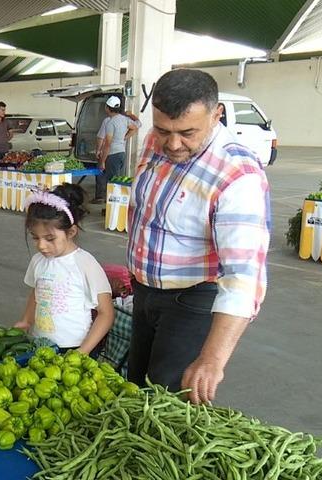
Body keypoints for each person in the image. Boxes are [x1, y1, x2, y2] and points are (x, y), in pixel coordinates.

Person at [126, 69, 270, 405]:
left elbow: (243, 276)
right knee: (135, 388)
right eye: (163, 130)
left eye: (187, 133)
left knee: (166, 402)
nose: (173, 144)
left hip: (192, 300)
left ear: (217, 114)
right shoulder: (155, 141)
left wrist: (212, 360)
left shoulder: (238, 175)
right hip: (145, 292)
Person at [14, 184, 115, 355]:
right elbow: (37, 293)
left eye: (50, 238)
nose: (41, 245)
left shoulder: (86, 264)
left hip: (75, 348)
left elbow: (106, 314)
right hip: (41, 345)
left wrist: (83, 351)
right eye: (35, 238)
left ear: (71, 232)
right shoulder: (38, 261)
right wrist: (26, 320)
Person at [93, 96, 141, 203]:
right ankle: (114, 206)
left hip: (112, 155)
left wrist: (102, 161)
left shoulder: (110, 122)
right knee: (117, 179)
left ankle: (113, 207)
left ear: (108, 108)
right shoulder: (124, 119)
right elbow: (135, 127)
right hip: (121, 153)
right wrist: (125, 137)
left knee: (113, 183)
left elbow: (108, 144)